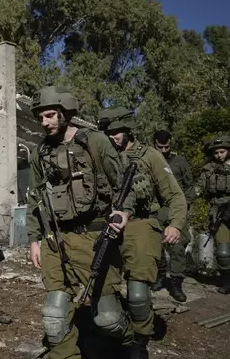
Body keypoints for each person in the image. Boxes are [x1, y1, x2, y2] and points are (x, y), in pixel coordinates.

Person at [26, 86, 133, 359]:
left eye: (50, 115)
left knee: (108, 319)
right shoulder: (40, 152)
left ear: (65, 113)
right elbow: (34, 197)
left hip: (93, 238)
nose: (44, 122)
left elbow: (125, 185)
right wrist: (33, 239)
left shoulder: (96, 142)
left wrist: (123, 213)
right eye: (40, 117)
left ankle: (130, 344)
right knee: (53, 317)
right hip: (56, 240)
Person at [98, 108, 187, 359]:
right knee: (102, 290)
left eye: (115, 132)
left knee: (137, 294)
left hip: (141, 225)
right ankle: (118, 333)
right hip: (108, 226)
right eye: (107, 133)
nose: (111, 137)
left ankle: (139, 341)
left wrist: (175, 224)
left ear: (128, 130)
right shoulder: (102, 157)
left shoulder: (150, 156)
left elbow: (175, 195)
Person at [152, 130, 195, 302]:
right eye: (159, 147)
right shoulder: (150, 160)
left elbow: (189, 186)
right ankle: (160, 276)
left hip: (176, 209)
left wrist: (185, 206)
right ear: (154, 144)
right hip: (156, 209)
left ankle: (176, 282)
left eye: (166, 147)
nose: (163, 150)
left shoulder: (179, 162)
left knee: (177, 246)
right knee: (156, 245)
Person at [194, 134, 230, 294]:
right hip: (219, 213)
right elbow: (199, 186)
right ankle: (227, 280)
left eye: (222, 151)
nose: (219, 155)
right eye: (216, 153)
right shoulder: (208, 169)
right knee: (223, 252)